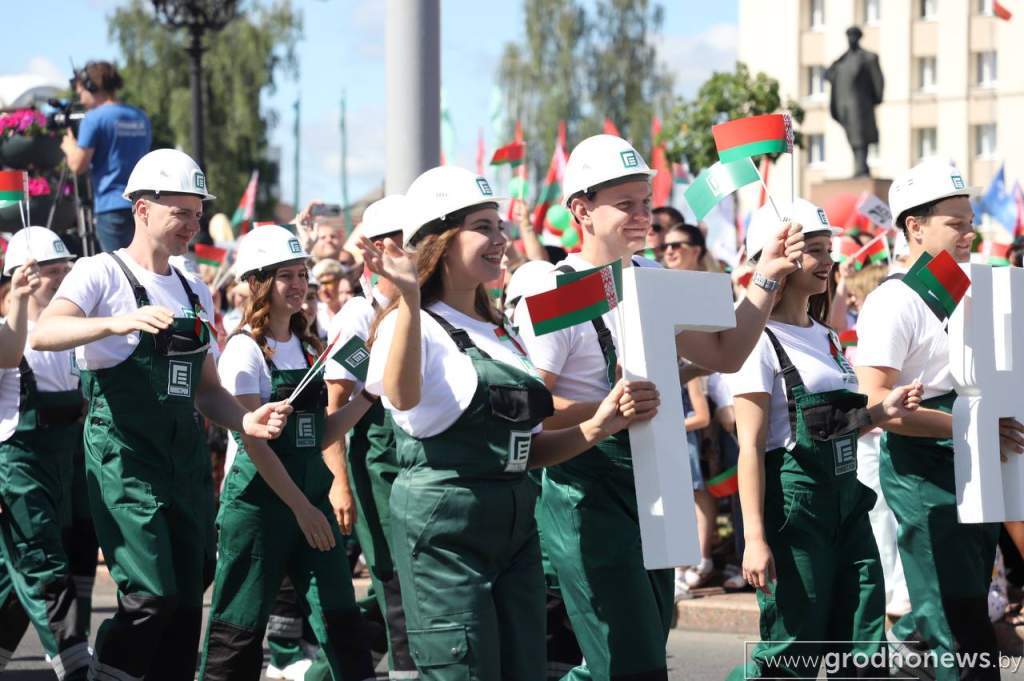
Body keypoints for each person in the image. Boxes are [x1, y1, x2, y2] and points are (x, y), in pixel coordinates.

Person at [513, 134, 804, 681]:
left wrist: (767, 276)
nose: (643, 216)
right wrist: (605, 409)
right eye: (625, 204)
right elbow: (528, 406)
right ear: (581, 210)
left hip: (656, 485)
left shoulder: (651, 278)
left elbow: (726, 351)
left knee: (642, 647)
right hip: (587, 494)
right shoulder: (557, 292)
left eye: (646, 202)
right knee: (628, 658)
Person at [360, 164, 660, 680]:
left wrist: (602, 422)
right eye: (483, 227)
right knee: (464, 670)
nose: (500, 240)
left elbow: (529, 448)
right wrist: (407, 299)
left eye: (499, 226)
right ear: (439, 241)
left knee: (524, 667)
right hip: (447, 528)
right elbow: (403, 396)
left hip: (516, 526)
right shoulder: (412, 324)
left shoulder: (499, 330)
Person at [31, 149, 289, 681]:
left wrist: (245, 420)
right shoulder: (100, 272)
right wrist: (115, 322)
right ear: (142, 209)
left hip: (184, 462)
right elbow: (45, 332)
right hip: (124, 459)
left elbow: (207, 390)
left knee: (187, 597)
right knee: (150, 596)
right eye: (182, 213)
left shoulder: (195, 289)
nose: (193, 225)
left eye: (198, 213)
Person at [725, 199, 922, 679]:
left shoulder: (827, 336)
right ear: (776, 257)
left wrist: (883, 411)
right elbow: (749, 447)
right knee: (794, 649)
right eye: (813, 249)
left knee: (862, 639)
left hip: (848, 503)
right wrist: (754, 539)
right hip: (795, 512)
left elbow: (838, 424)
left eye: (828, 249)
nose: (828, 260)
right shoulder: (755, 339)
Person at [855, 160, 1024, 680]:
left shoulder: (971, 291)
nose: (969, 233)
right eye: (955, 223)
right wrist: (966, 426)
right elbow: (875, 400)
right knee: (955, 620)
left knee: (966, 600)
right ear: (914, 226)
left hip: (979, 461)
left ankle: (911, 655)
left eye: (970, 222)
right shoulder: (893, 300)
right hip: (923, 470)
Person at [197, 224, 375, 680]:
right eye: (285, 275)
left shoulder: (311, 344)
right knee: (236, 635)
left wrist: (368, 396)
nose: (298, 284)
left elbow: (319, 433)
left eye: (302, 273)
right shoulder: (244, 350)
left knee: (342, 623)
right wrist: (302, 508)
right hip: (259, 508)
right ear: (258, 282)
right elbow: (253, 442)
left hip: (309, 502)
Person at [321, 195, 416, 678]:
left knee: (406, 589)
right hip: (377, 466)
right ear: (377, 251)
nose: (416, 252)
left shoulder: (421, 308)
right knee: (393, 580)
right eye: (405, 242)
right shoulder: (359, 318)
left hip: (416, 464)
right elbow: (335, 404)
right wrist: (339, 484)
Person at [0, 230, 89, 679]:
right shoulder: (8, 333)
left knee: (15, 573)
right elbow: (8, 353)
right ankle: (76, 666)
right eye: (52, 271)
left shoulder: (72, 334)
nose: (62, 278)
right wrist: (17, 301)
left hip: (64, 466)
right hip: (19, 467)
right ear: (24, 276)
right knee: (42, 565)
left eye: (65, 269)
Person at [60, 61, 152, 253]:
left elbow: (78, 166)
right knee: (143, 262)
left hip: (111, 206)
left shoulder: (94, 119)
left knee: (118, 267)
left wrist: (69, 147)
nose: (81, 99)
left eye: (81, 92)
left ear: (92, 87)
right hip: (143, 203)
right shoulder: (141, 116)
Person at [312, 258, 349, 331]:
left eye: (328, 283)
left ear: (340, 282)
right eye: (319, 285)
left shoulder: (353, 309)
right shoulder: (314, 313)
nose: (323, 289)